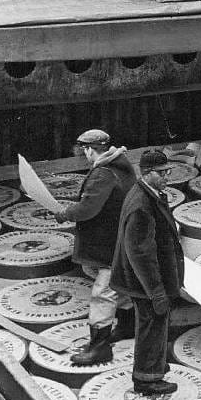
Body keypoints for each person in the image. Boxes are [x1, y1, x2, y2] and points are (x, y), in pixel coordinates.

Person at [54, 128, 136, 366]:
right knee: (118, 283)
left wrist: (64, 213)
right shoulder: (120, 163)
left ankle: (100, 347)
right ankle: (128, 326)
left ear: (89, 149)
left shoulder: (103, 173)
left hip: (109, 241)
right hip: (122, 236)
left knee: (103, 291)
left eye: (84, 151)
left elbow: (88, 208)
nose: (85, 155)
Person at [110, 149, 184, 397]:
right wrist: (156, 291)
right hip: (144, 282)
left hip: (144, 280)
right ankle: (147, 380)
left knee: (156, 324)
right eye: (162, 173)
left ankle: (156, 365)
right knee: (151, 325)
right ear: (147, 173)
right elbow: (140, 254)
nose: (168, 176)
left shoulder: (146, 192)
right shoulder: (141, 205)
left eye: (168, 171)